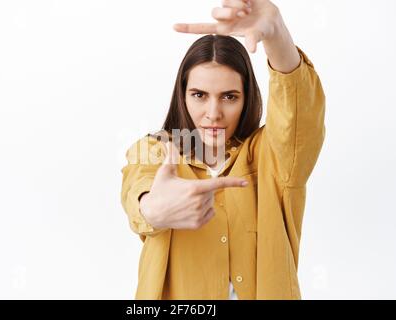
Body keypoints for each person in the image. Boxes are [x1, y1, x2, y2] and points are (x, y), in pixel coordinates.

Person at [120, 0, 325, 300]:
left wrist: (277, 33)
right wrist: (153, 209)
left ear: (246, 99)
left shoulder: (269, 156)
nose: (213, 113)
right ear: (183, 95)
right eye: (199, 95)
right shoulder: (155, 150)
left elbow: (299, 117)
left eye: (229, 96)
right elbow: (138, 189)